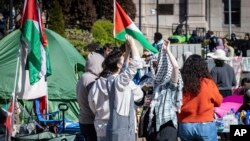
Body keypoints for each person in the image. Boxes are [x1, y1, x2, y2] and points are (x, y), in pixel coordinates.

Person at [88, 35, 143, 141]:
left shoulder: (108, 80)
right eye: (122, 60)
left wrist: (127, 51)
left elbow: (124, 69)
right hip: (120, 132)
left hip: (107, 127)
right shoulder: (118, 82)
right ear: (118, 65)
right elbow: (135, 63)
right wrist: (132, 44)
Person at [178, 54, 223, 141]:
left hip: (185, 124)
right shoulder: (208, 83)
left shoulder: (182, 84)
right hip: (205, 124)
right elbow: (219, 102)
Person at [148, 40, 183, 141]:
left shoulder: (170, 85)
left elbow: (175, 67)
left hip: (167, 126)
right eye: (153, 65)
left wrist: (168, 51)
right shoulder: (155, 85)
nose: (155, 68)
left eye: (157, 65)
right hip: (155, 126)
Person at [76, 52, 104, 141]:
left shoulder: (83, 77)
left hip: (83, 119)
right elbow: (95, 101)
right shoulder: (91, 80)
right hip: (91, 121)